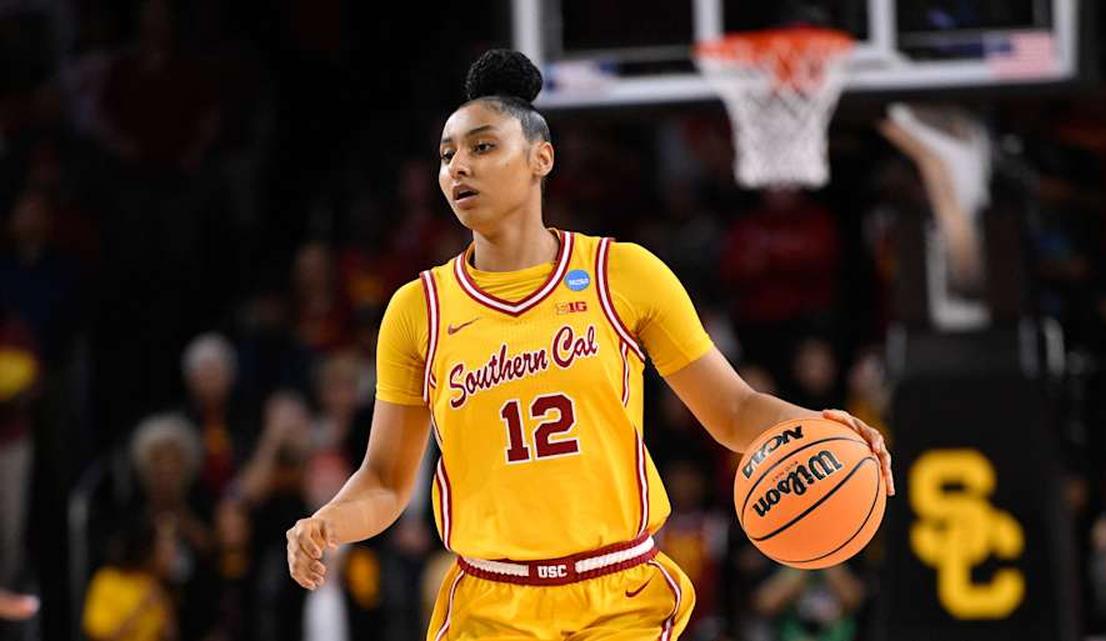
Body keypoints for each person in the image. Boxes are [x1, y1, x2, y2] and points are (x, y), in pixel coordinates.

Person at [285, 49, 894, 640]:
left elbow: (733, 412)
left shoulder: (621, 274)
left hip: (618, 595)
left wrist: (822, 426)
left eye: (482, 146)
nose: (458, 167)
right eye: (447, 156)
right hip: (492, 601)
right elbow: (387, 481)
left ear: (540, 158)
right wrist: (327, 522)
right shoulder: (418, 310)